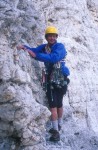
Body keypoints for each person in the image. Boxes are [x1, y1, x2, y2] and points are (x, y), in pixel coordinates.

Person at [17, 26, 70, 142]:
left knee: (57, 104)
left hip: (59, 79)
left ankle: (57, 130)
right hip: (54, 79)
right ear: (46, 37)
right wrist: (24, 48)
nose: (51, 38)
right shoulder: (45, 47)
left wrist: (36, 56)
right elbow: (34, 50)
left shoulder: (60, 47)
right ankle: (57, 127)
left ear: (56, 37)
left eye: (53, 36)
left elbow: (53, 58)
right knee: (54, 105)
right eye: (49, 36)